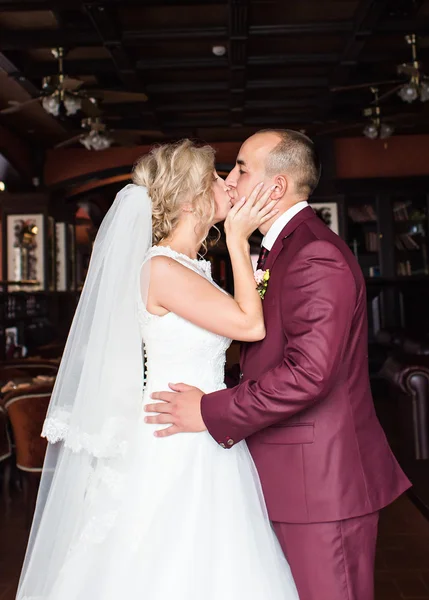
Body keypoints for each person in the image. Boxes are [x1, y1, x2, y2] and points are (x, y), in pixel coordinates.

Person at [16, 139, 299, 600]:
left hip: (200, 427)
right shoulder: (163, 268)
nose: (229, 185)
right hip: (177, 438)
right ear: (190, 199)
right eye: (215, 178)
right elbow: (250, 325)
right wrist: (236, 239)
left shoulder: (189, 266)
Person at [145, 130, 411, 600]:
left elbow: (308, 374)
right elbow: (268, 357)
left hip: (321, 483)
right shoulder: (283, 248)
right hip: (285, 474)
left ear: (277, 186)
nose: (230, 180)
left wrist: (210, 409)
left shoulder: (314, 254)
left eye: (242, 169)